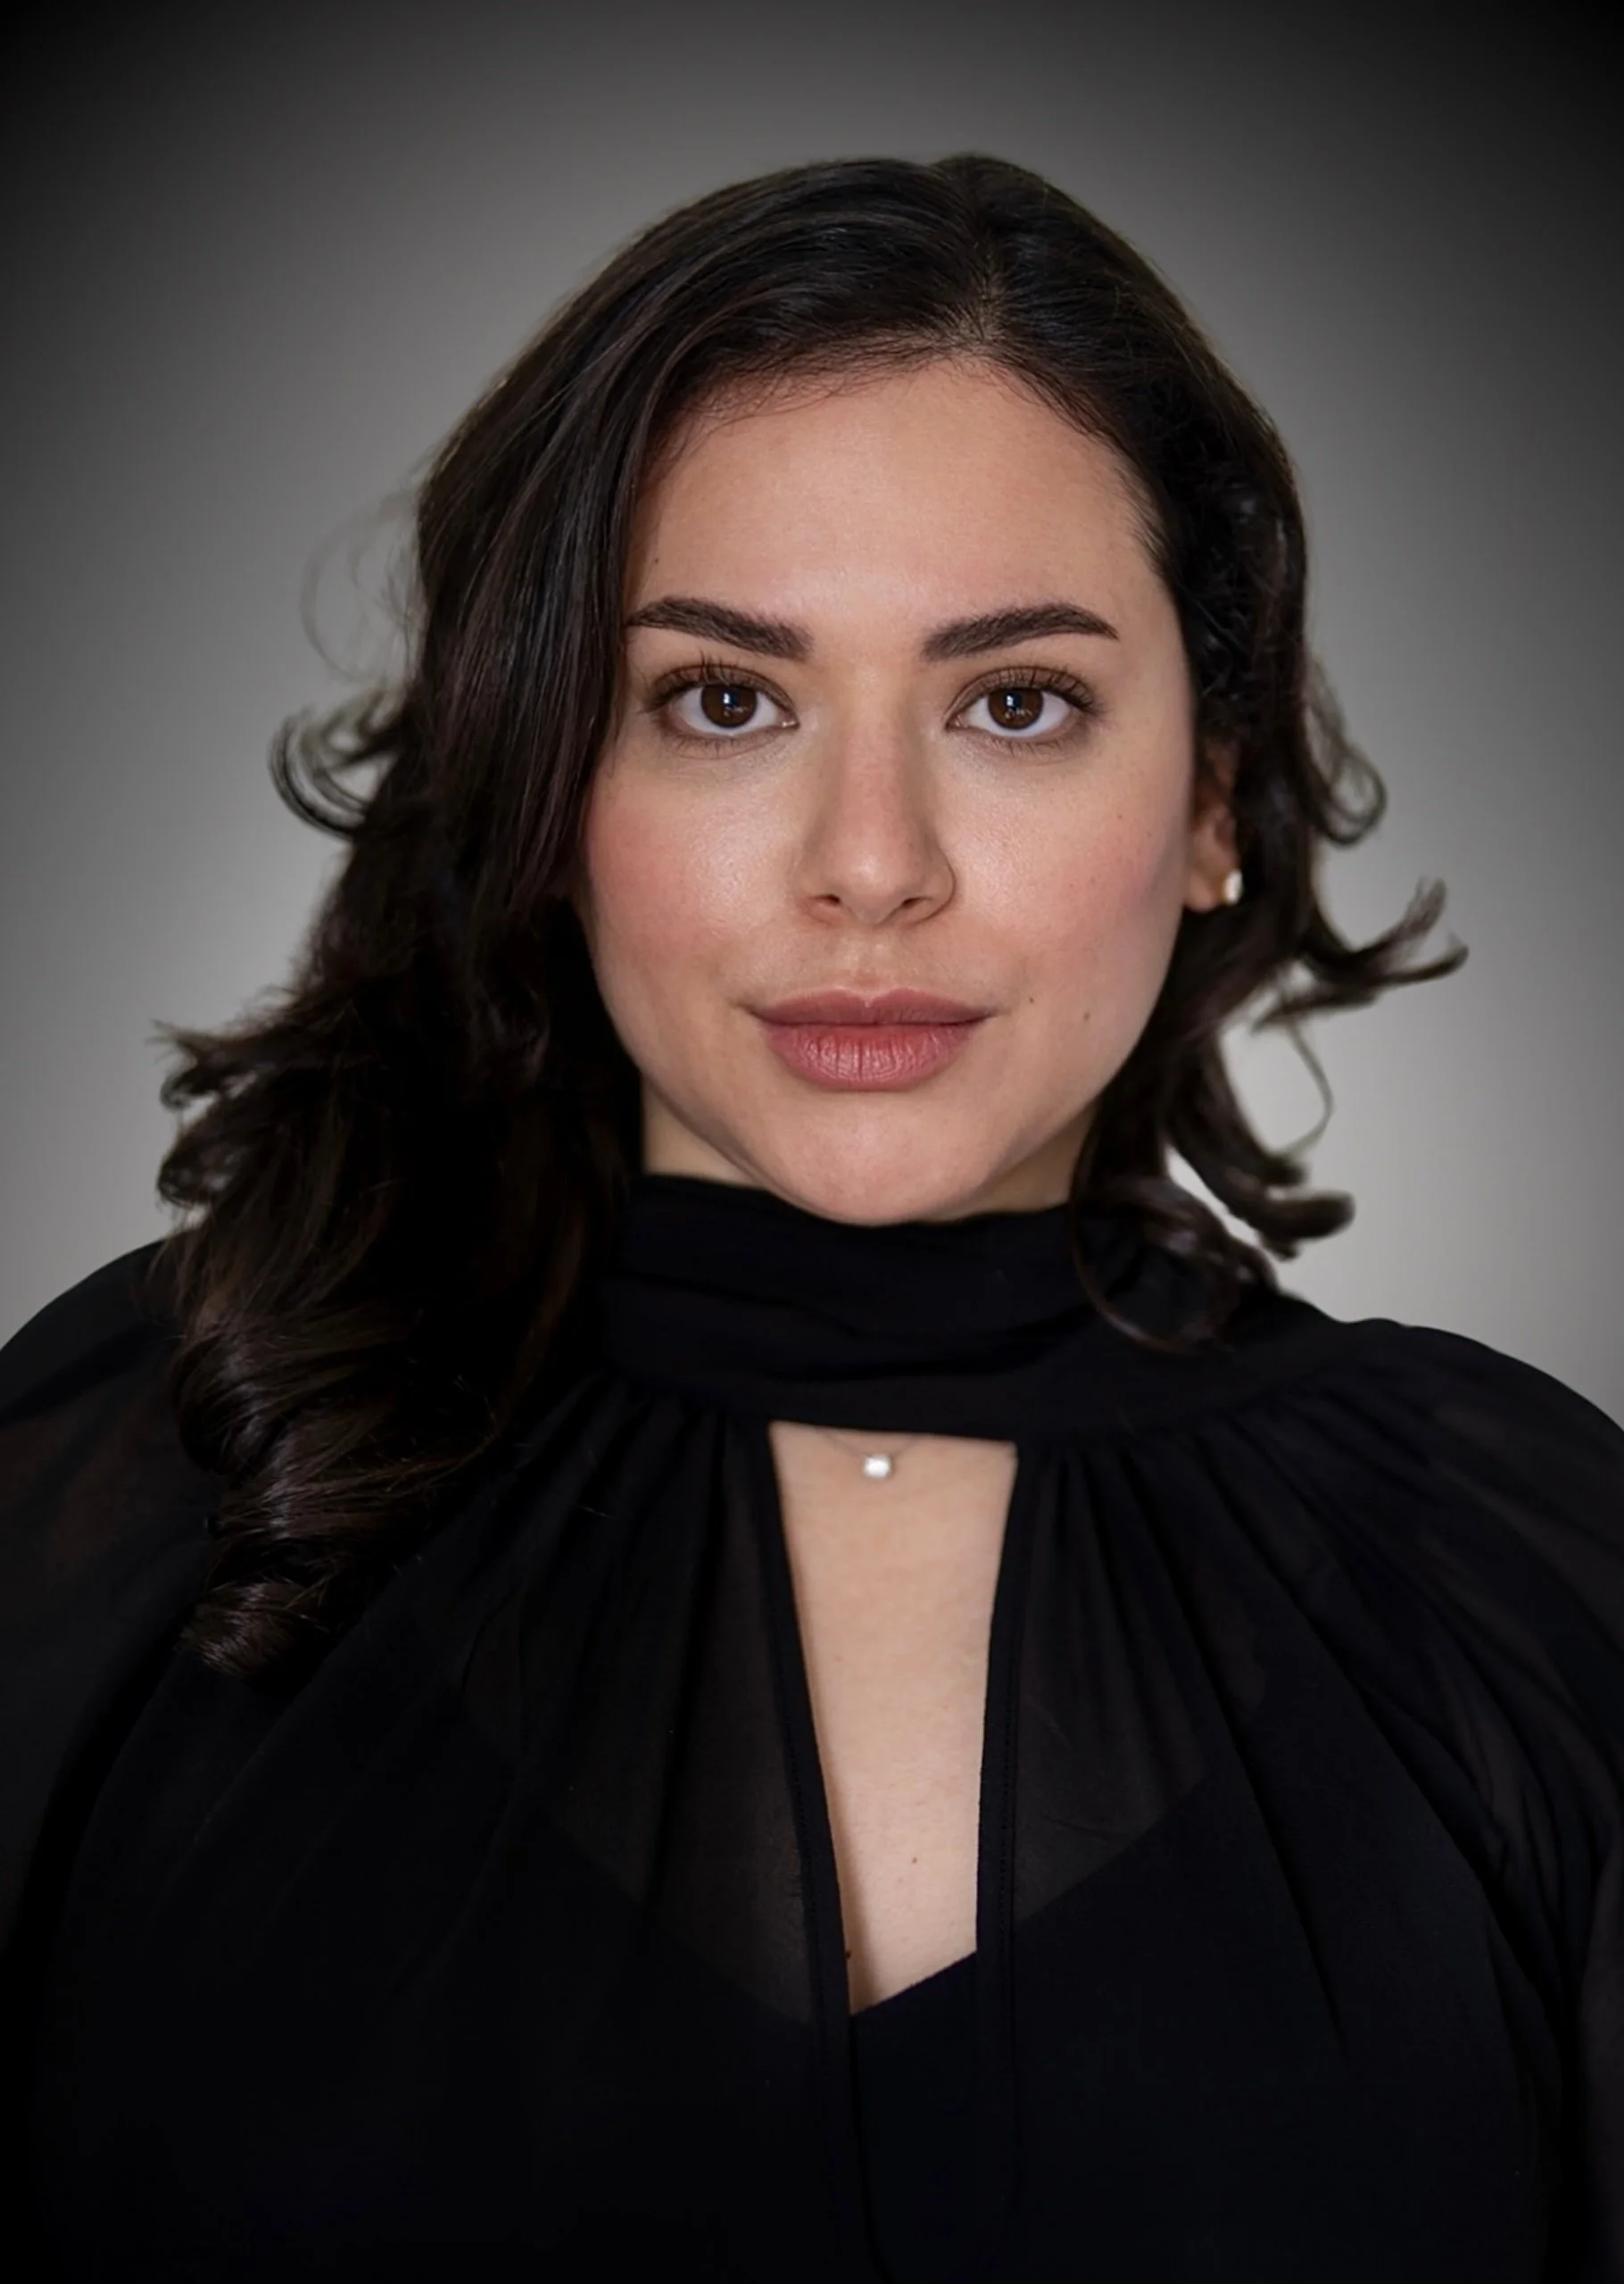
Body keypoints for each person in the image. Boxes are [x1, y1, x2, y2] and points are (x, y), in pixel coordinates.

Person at [1, 150, 1620, 2283]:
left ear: (1211, 798)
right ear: (551, 784)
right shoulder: (152, 1462)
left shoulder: (1523, 1580)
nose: (870, 861)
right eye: (724, 699)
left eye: (1014, 702)